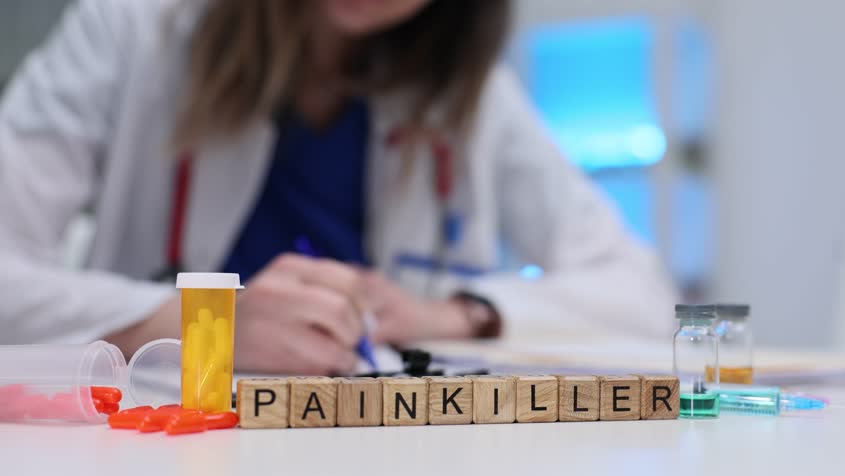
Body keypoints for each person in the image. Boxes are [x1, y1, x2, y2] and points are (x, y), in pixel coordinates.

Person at [0, 0, 676, 374]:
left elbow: (640, 291)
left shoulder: (474, 100)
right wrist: (208, 327)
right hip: (162, 440)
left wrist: (452, 314)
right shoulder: (130, 32)